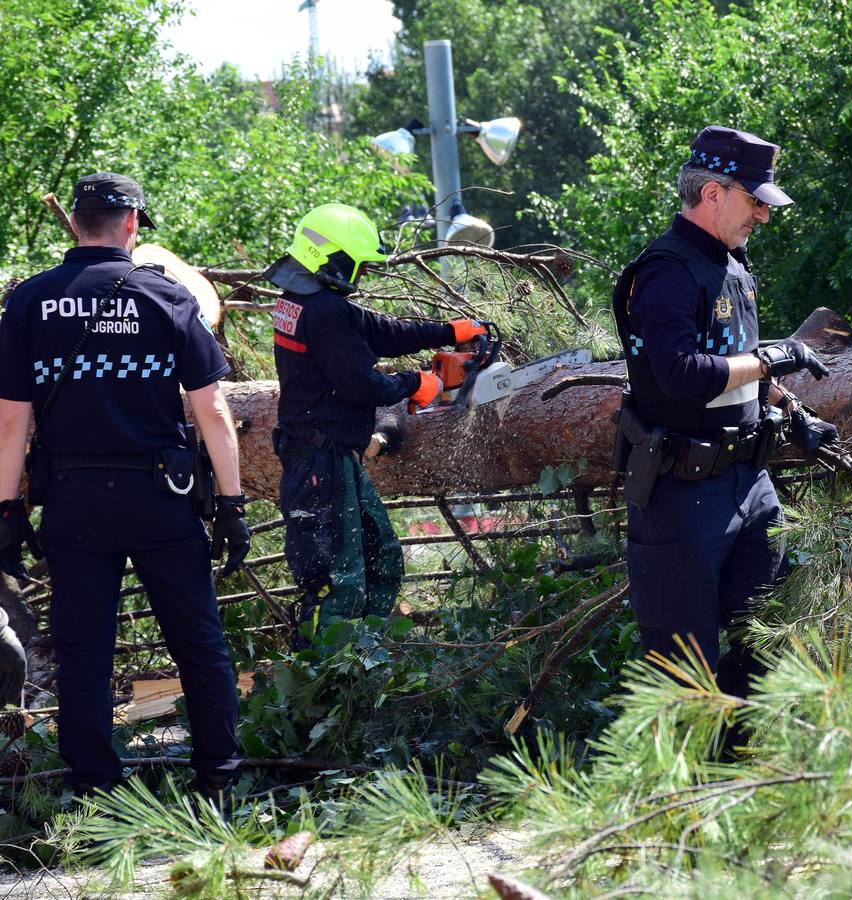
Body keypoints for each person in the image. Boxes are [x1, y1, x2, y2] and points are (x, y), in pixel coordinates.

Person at [0, 172, 250, 797]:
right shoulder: (164, 296)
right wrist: (232, 503)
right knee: (197, 640)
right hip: (160, 499)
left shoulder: (29, 302)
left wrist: (6, 511)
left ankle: (95, 791)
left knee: (84, 652)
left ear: (78, 222)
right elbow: (212, 412)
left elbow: (10, 422)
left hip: (73, 503)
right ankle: (218, 780)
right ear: (132, 225)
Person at [611, 126, 839, 696]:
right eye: (754, 200)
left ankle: (751, 778)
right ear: (713, 194)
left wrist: (793, 409)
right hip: (681, 497)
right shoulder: (665, 272)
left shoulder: (734, 268)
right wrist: (770, 362)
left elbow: (738, 368)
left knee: (764, 648)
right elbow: (682, 375)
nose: (762, 215)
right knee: (686, 676)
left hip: (749, 485)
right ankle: (691, 784)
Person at [263, 203, 488, 636]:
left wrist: (447, 331)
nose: (360, 276)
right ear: (333, 258)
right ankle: (330, 677)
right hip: (320, 463)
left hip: (329, 456)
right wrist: (415, 383)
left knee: (380, 557)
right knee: (335, 580)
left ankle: (367, 657)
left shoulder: (304, 300)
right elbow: (360, 385)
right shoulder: (322, 311)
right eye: (357, 266)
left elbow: (380, 331)